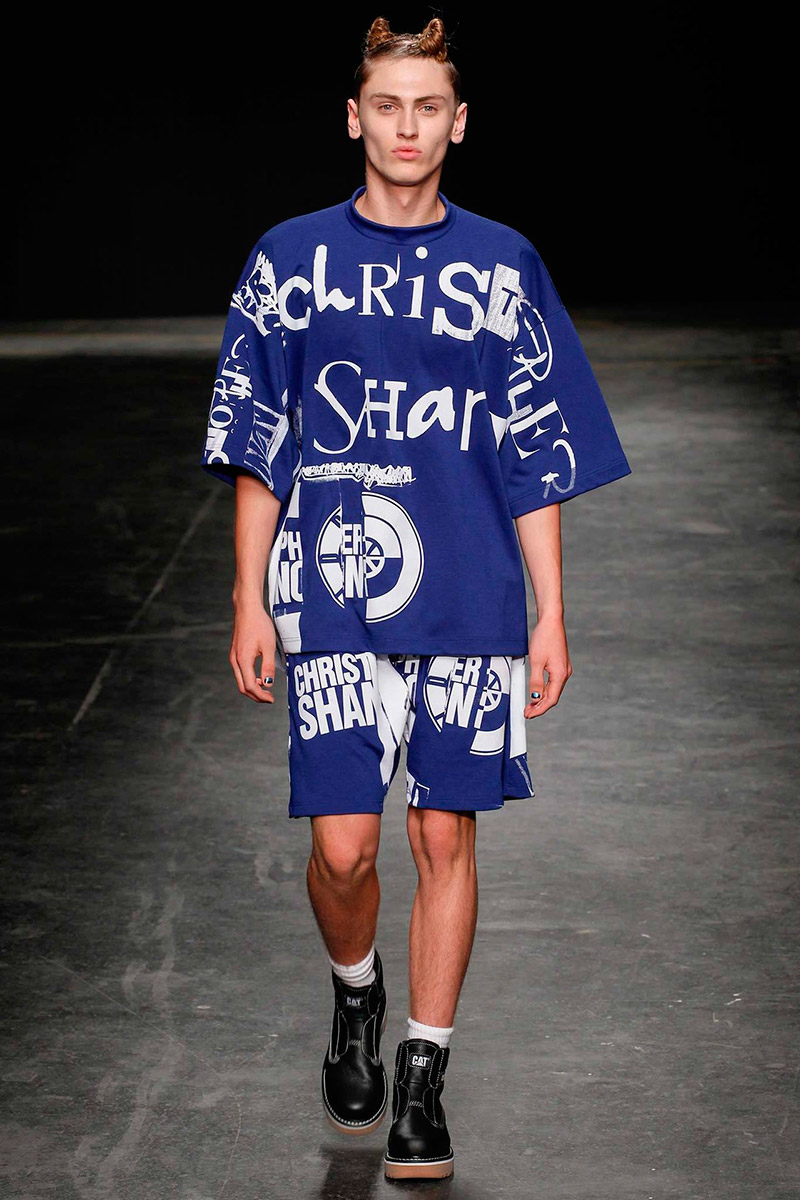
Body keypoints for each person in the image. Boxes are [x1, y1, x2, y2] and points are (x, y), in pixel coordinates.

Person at [200, 14, 631, 1181]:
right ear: (354, 118)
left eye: (426, 107)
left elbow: (532, 448)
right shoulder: (289, 259)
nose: (406, 126)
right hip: (334, 583)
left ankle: (423, 1083)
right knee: (343, 850)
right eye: (386, 106)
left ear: (457, 122)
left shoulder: (503, 264)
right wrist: (247, 596)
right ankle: (356, 992)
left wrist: (549, 609)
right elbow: (261, 440)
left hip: (470, 584)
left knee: (444, 831)